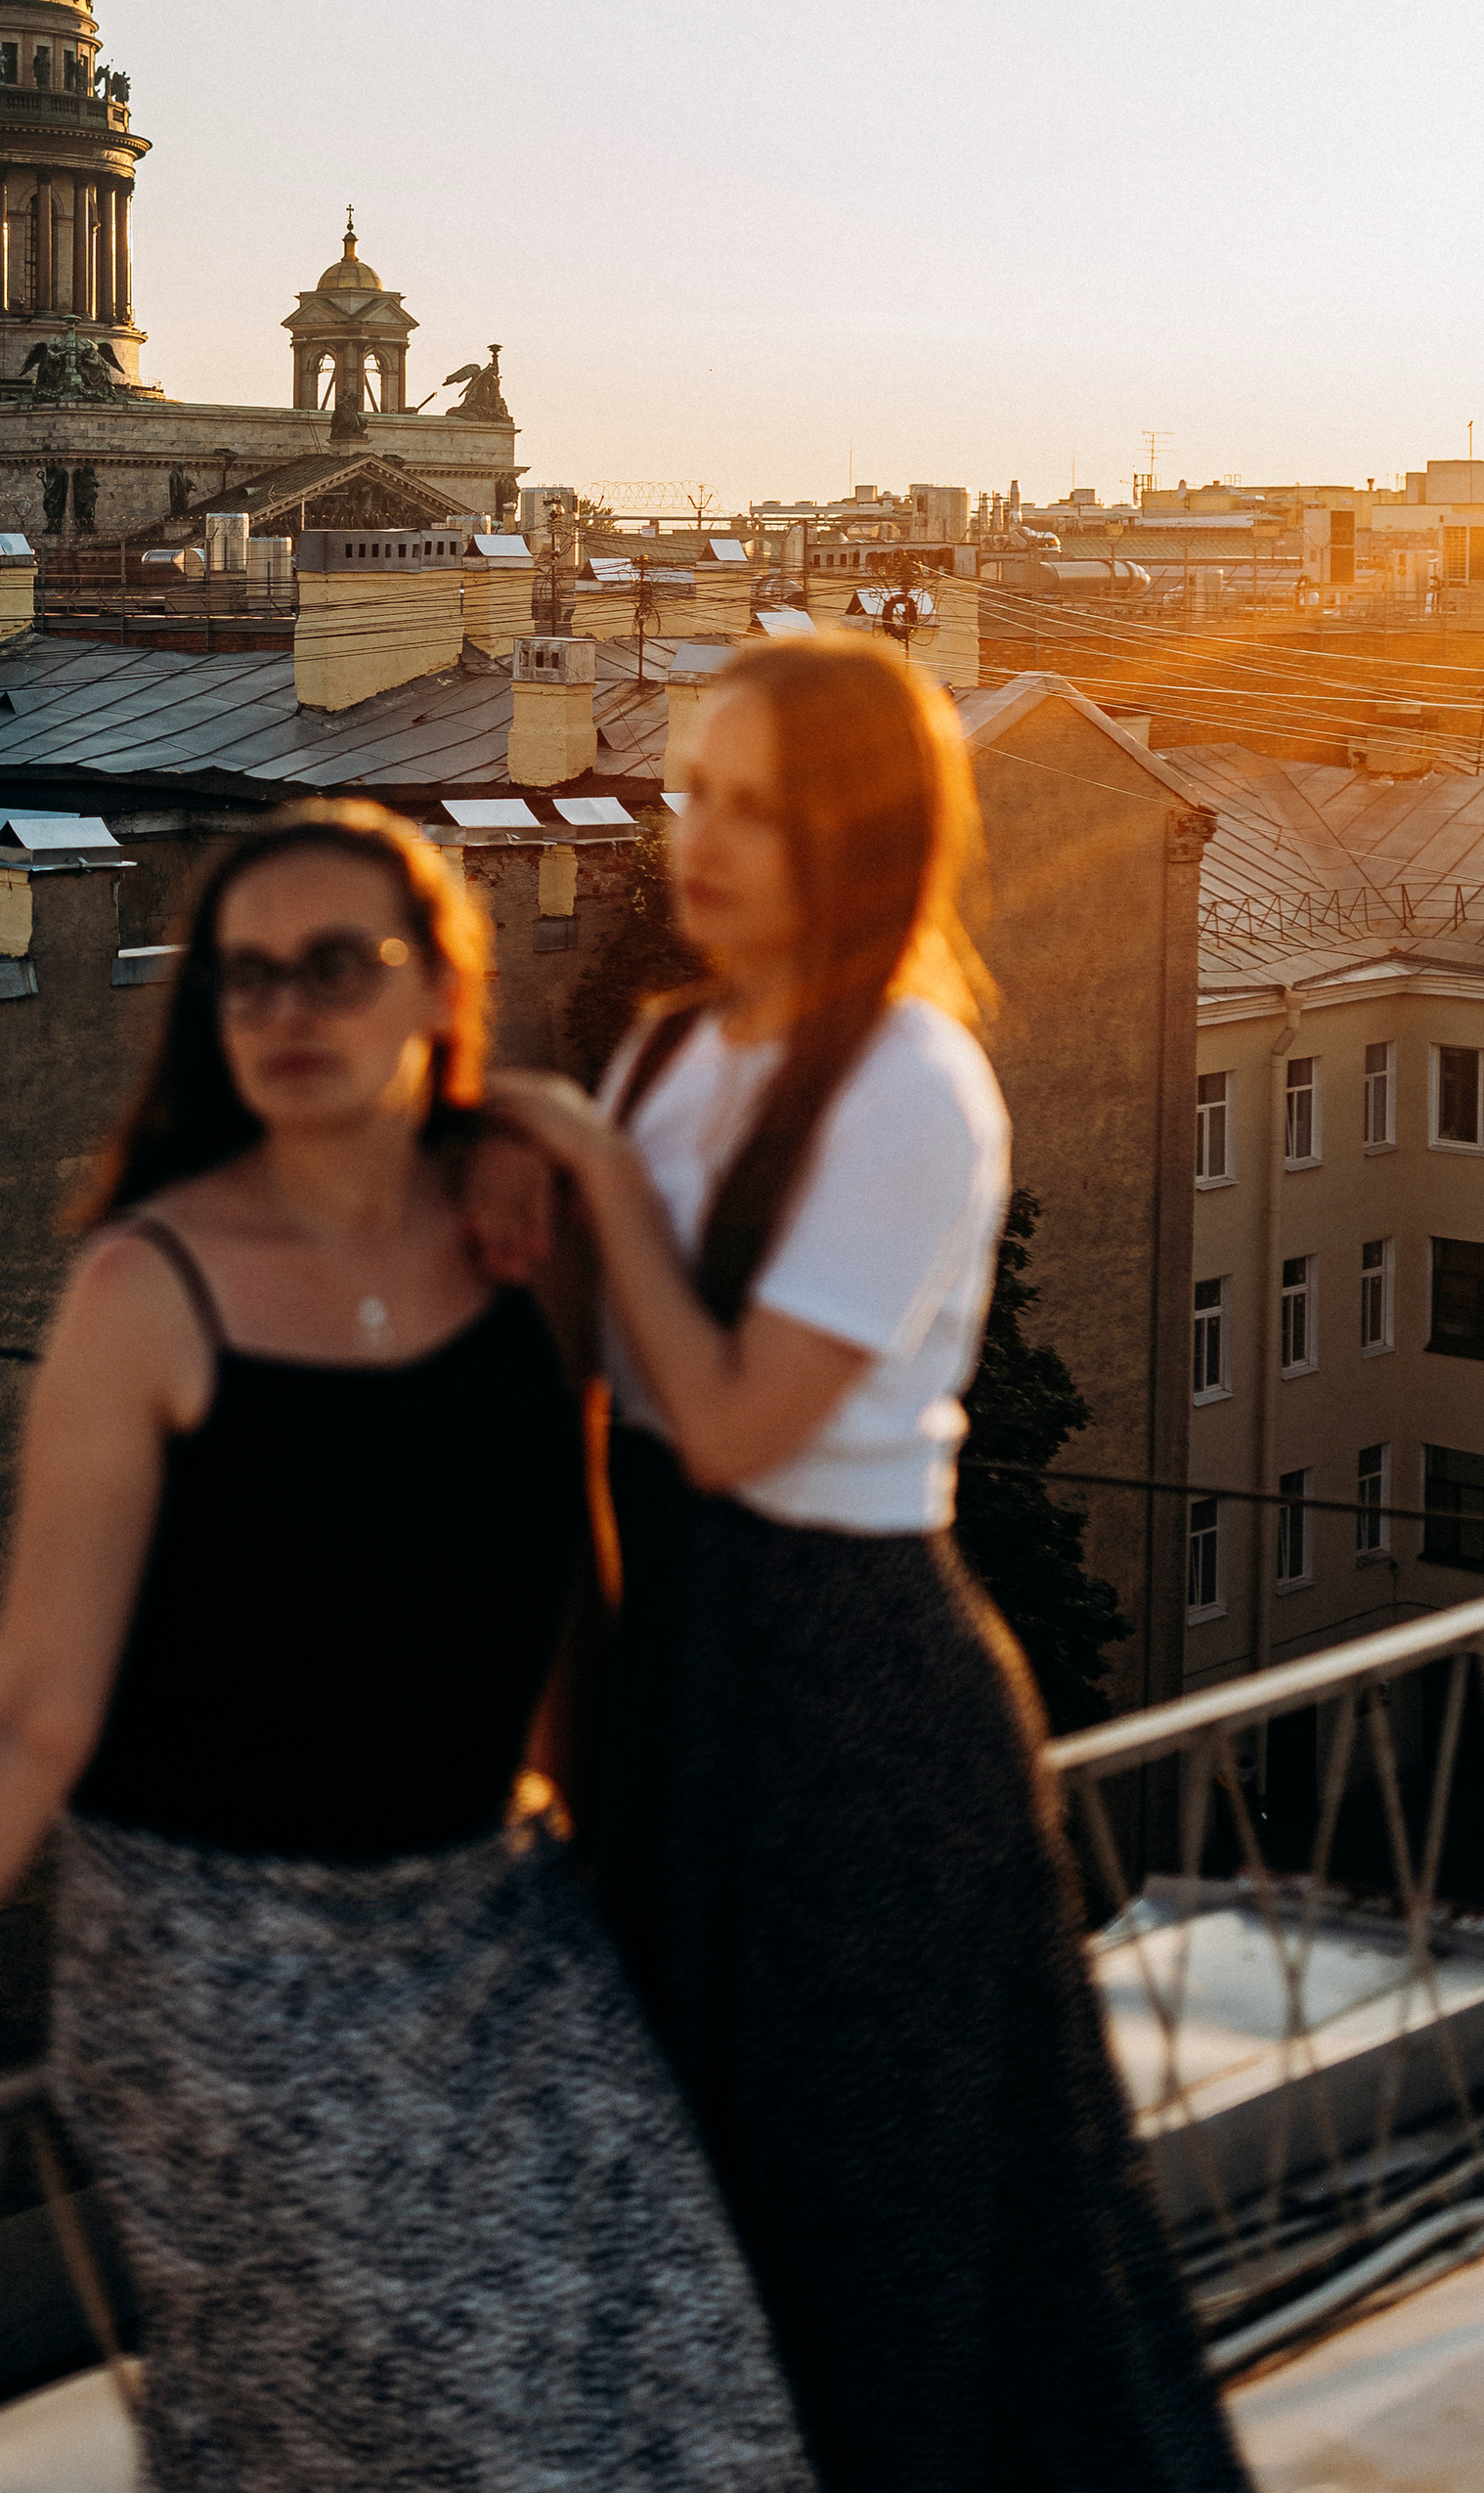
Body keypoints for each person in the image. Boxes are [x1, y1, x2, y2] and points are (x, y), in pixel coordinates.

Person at [0, 800, 813, 2492]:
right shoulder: (150, 1291)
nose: (285, 1011)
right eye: (246, 977)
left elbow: (578, 1590)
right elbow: (24, 1715)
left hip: (495, 1929)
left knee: (698, 2404)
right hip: (221, 1964)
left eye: (337, 967)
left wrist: (627, 1887)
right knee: (452, 2433)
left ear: (438, 989)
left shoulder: (523, 1247)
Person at [485, 636, 1247, 2493]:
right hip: (681, 1686)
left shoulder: (914, 1081)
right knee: (696, 2227)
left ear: (871, 837)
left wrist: (589, 1171)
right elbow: (601, 1398)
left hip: (845, 1703)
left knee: (884, 2246)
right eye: (695, 791)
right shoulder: (675, 1046)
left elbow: (736, 1423)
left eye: (764, 805)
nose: (706, 837)